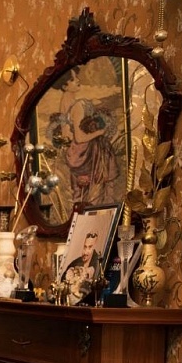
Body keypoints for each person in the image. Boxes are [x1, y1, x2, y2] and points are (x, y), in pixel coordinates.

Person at [51, 68, 119, 208]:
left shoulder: (64, 103)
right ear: (64, 86)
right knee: (97, 194)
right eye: (72, 79)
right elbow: (80, 138)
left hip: (74, 152)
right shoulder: (78, 106)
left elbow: (66, 136)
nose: (77, 80)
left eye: (76, 77)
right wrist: (100, 132)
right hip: (86, 152)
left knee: (82, 196)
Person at [62, 231, 100, 303]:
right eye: (85, 247)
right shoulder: (76, 262)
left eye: (90, 247)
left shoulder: (98, 263)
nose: (85, 252)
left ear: (94, 247)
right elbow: (63, 280)